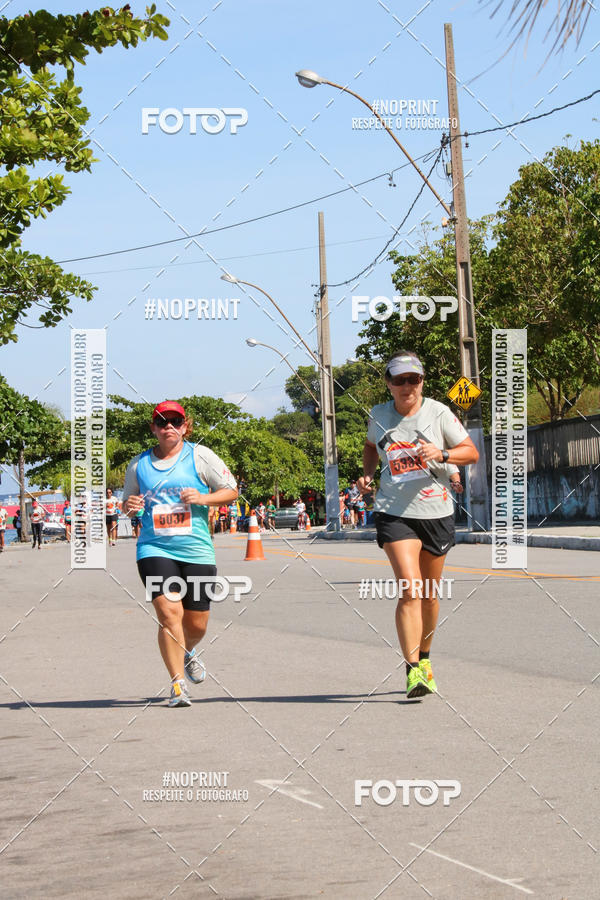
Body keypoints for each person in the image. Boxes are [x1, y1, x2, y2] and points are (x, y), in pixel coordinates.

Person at [357, 351, 479, 700]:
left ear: (422, 381)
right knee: (410, 589)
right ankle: (413, 671)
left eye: (414, 379)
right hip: (394, 512)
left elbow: (470, 452)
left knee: (428, 593)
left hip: (436, 511)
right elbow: (370, 447)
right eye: (400, 380)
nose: (407, 386)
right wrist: (368, 473)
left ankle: (425, 658)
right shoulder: (379, 415)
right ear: (388, 383)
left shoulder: (439, 412)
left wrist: (441, 455)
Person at [122, 401, 238, 708]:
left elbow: (231, 489)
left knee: (197, 624)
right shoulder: (139, 464)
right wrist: (130, 506)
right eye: (162, 422)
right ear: (154, 429)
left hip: (197, 550)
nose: (168, 426)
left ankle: (188, 651)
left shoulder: (200, 456)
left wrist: (203, 497)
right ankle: (177, 685)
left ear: (185, 426)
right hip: (154, 548)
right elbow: (126, 502)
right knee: (169, 614)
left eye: (175, 421)